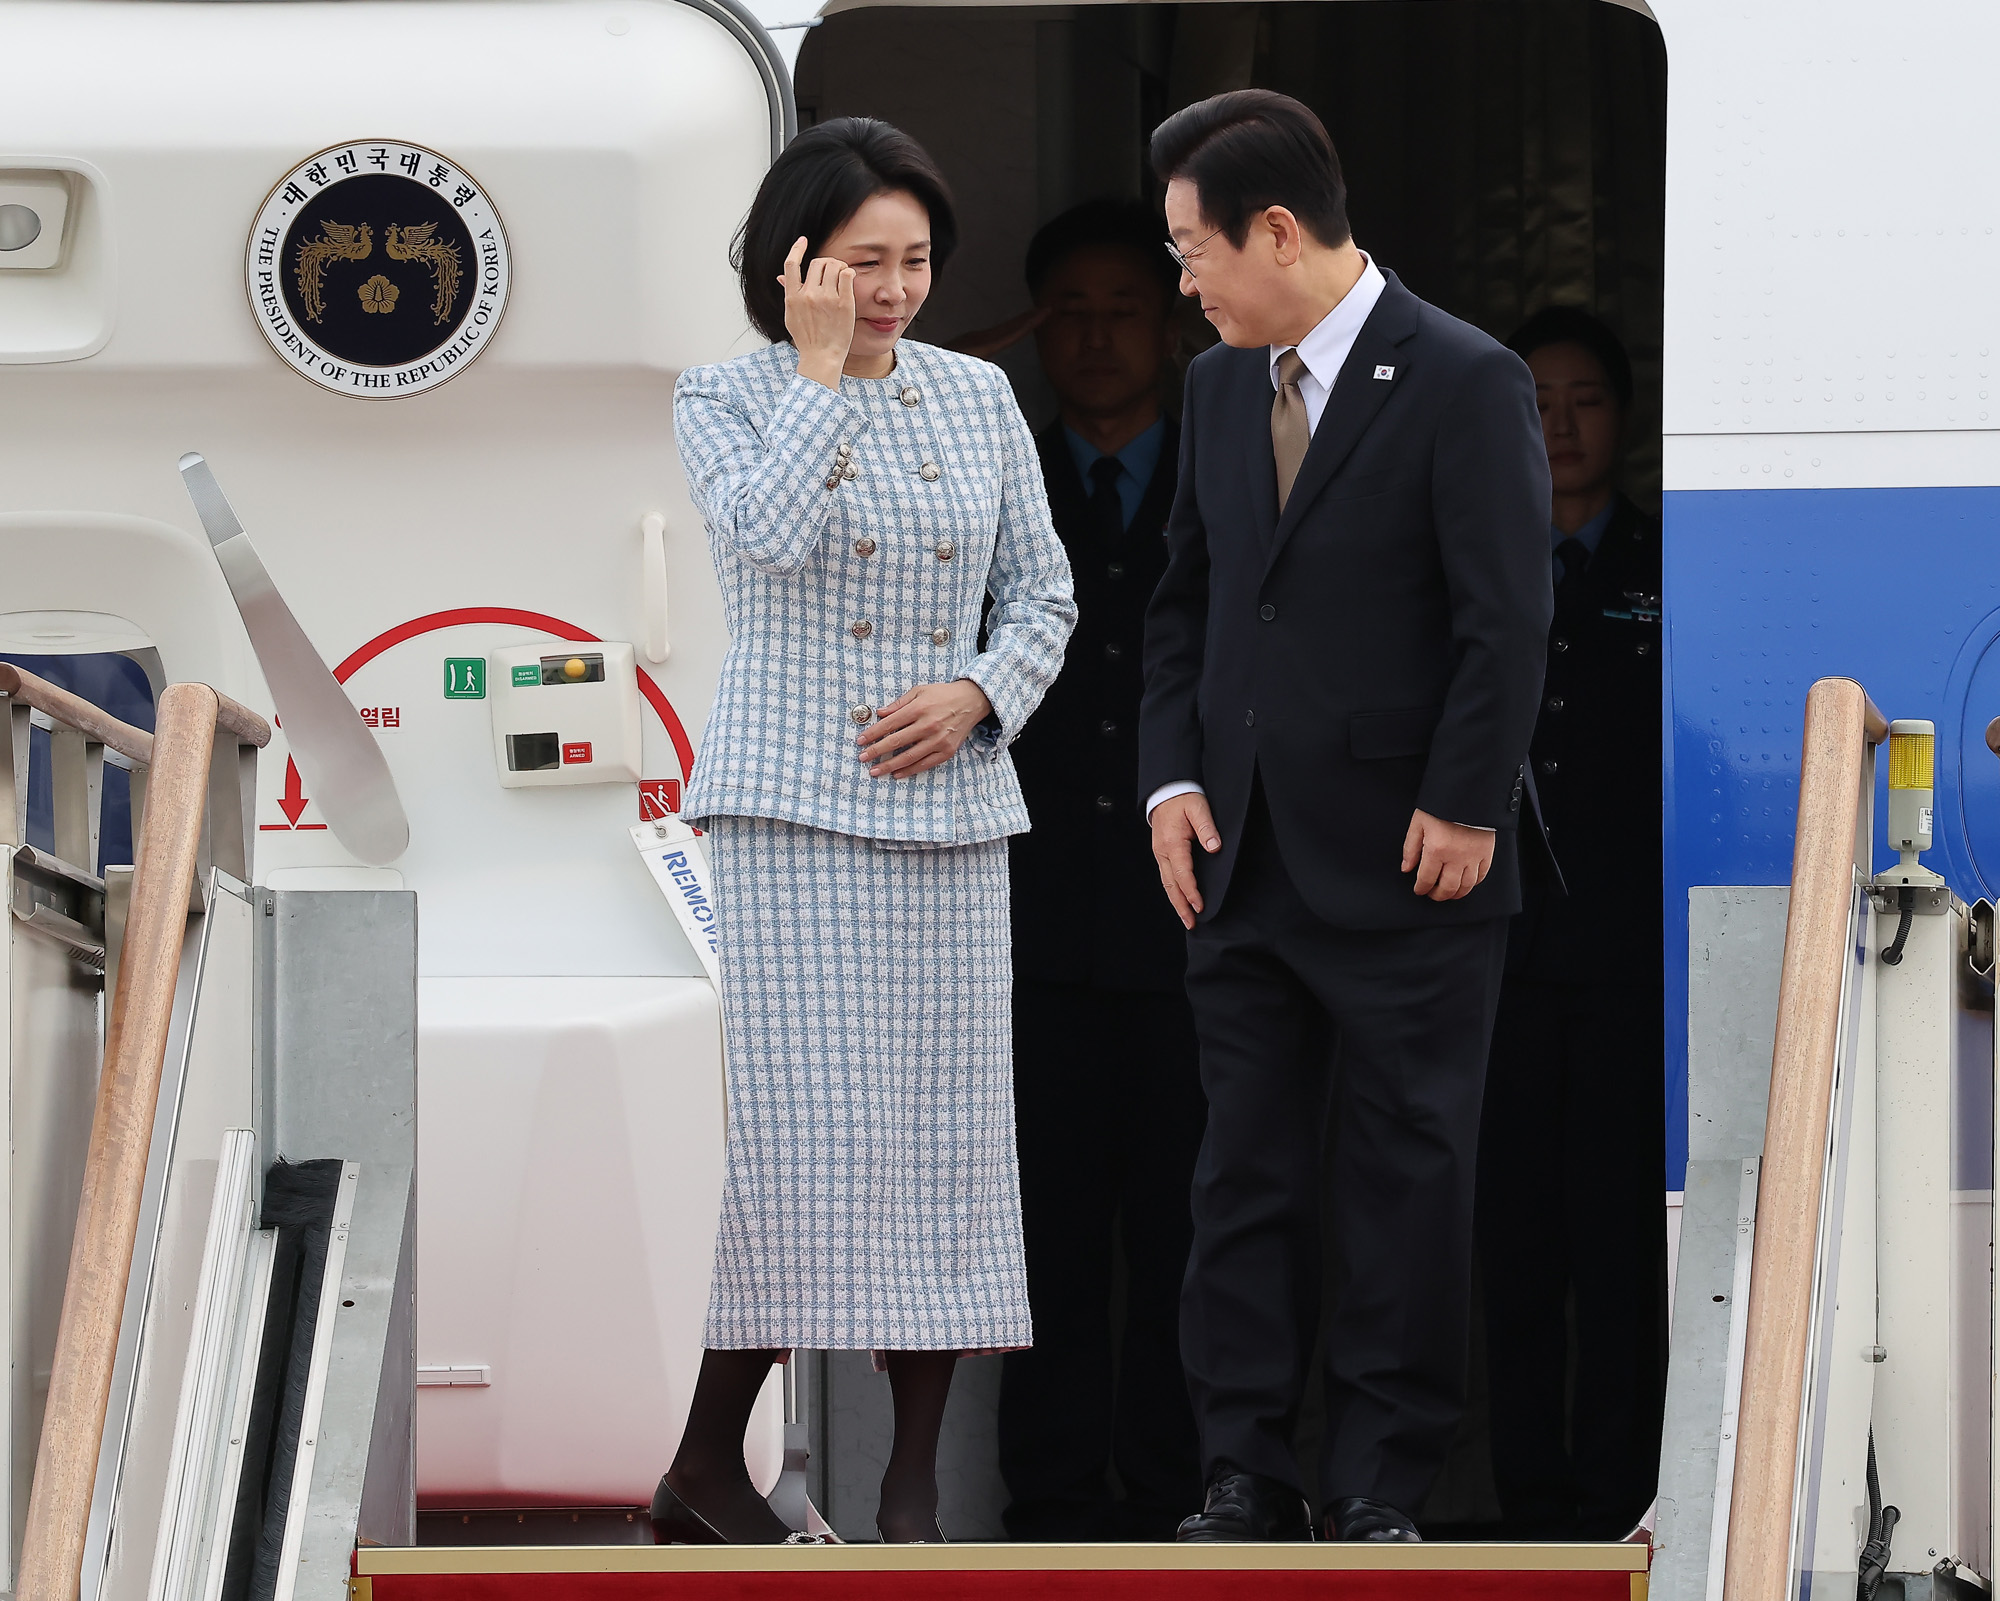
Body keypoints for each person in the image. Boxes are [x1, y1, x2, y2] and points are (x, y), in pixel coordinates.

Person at [658, 116, 1076, 1547]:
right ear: (794, 265)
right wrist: (823, 377)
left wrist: (979, 691)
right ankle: (712, 1461)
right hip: (791, 813)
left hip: (951, 813)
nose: (894, 288)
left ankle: (908, 1490)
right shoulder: (725, 394)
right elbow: (762, 542)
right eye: (861, 263)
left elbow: (1046, 597)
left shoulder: (978, 395)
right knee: (807, 1145)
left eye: (913, 262)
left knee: (950, 1148)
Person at [1139, 91, 1550, 1543]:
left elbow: (1507, 618)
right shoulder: (1212, 390)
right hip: (1239, 857)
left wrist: (1464, 800)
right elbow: (1189, 601)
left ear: (1276, 230)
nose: (1183, 284)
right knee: (1239, 1178)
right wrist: (1170, 779)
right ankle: (1243, 1468)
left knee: (1404, 1181)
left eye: (1194, 251)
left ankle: (1382, 1479)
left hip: (1411, 864)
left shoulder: (1464, 375)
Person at [993, 200, 1206, 1542]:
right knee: (1047, 1243)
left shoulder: (1235, 467)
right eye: (1066, 309)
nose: (1097, 334)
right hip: (1026, 927)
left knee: (1196, 1236)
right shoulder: (997, 474)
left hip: (1200, 932)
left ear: (1177, 321)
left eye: (1125, 305)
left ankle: (1195, 1493)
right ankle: (1055, 1502)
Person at [1475, 305, 1664, 1540]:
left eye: (1582, 398)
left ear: (1625, 415)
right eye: (1535, 400)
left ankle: (1614, 1498)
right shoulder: (1471, 556)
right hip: (1490, 958)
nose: (1558, 422)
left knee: (1620, 1247)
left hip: (1628, 961)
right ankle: (1526, 1505)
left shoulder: (1671, 563)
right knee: (1510, 1249)